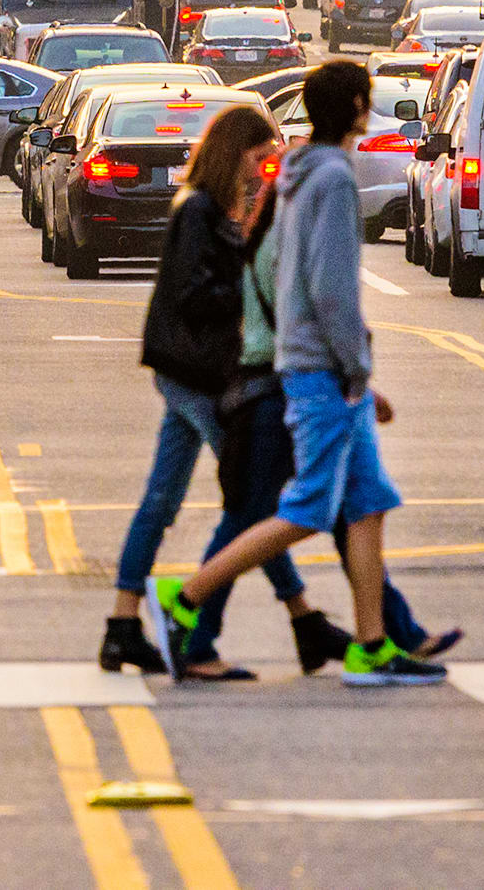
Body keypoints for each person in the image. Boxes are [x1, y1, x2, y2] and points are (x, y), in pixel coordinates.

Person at [144, 58, 447, 686]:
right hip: (322, 370)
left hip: (311, 365)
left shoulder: (296, 175)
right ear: (360, 108)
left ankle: (373, 644)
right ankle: (188, 595)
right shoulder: (334, 177)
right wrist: (356, 367)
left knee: (366, 503)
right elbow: (331, 288)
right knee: (308, 508)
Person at [102, 102, 327, 678]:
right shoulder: (198, 210)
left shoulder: (217, 208)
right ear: (235, 152)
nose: (264, 167)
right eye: (258, 157)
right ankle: (286, 620)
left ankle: (123, 626)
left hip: (189, 371)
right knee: (253, 505)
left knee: (164, 500)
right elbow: (194, 294)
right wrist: (251, 295)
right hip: (196, 373)